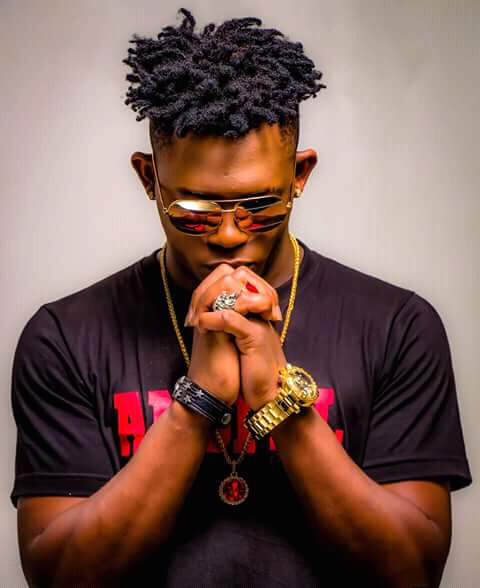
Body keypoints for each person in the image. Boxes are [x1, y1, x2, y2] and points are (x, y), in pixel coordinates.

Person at [11, 8, 471, 588]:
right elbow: (61, 577)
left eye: (260, 207)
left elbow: (413, 571)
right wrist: (198, 401)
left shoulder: (398, 327)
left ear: (299, 175)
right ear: (149, 179)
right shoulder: (65, 337)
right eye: (195, 211)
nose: (229, 234)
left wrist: (278, 399)